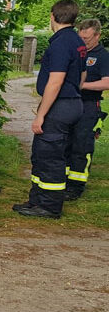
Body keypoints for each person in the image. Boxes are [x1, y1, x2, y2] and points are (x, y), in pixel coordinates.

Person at [12, 0, 86, 218]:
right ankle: (37, 200)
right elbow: (81, 76)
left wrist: (41, 115)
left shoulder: (61, 43)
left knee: (49, 156)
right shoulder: (77, 41)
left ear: (53, 16)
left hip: (60, 106)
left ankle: (49, 206)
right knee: (44, 154)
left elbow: (55, 82)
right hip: (73, 102)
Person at [65, 19, 109, 200]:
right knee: (66, 143)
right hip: (70, 103)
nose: (83, 41)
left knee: (81, 145)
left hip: (89, 105)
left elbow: (107, 82)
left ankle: (76, 185)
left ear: (97, 36)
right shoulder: (77, 52)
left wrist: (83, 85)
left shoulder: (103, 56)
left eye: (87, 38)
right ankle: (64, 180)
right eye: (81, 37)